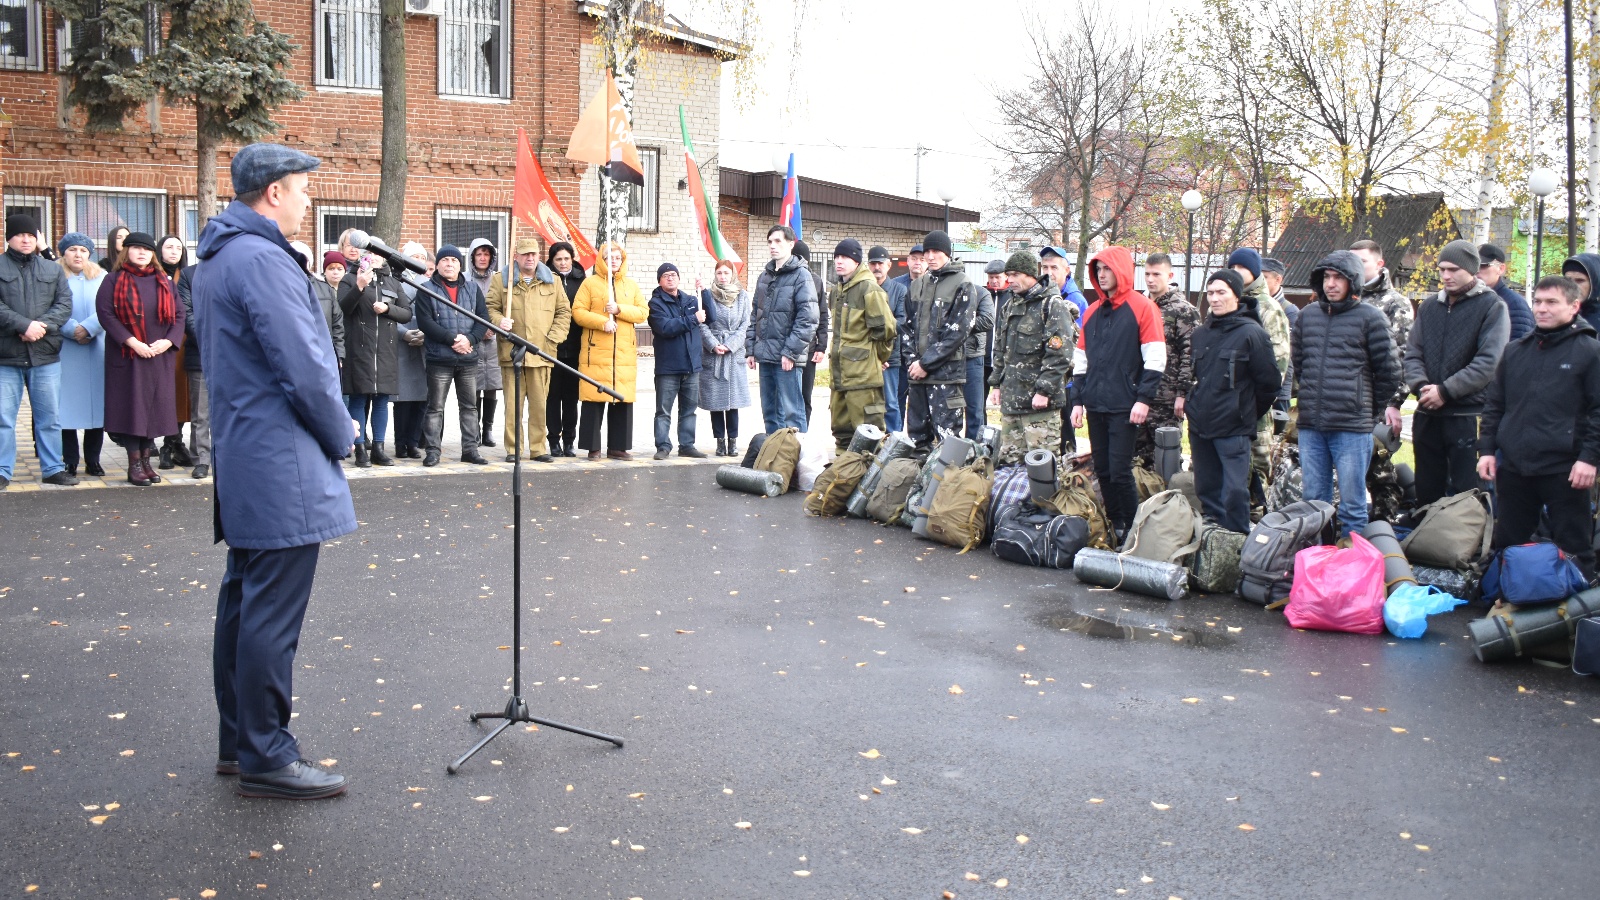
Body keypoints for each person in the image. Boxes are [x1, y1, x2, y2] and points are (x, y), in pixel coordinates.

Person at [192, 142, 354, 799]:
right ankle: (266, 754)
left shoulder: (221, 254)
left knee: (243, 605)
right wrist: (341, 433)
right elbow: (306, 365)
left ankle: (241, 741)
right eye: (302, 188)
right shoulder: (262, 259)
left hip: (248, 454)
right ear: (272, 194)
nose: (308, 199)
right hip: (280, 461)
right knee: (268, 616)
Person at [1478, 276, 1600, 579]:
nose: (1541, 309)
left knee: (1574, 547)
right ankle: (1507, 605)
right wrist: (1487, 450)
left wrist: (1589, 459)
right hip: (1515, 465)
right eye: (1537, 301)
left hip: (1566, 468)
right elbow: (1495, 405)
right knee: (1508, 542)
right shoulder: (1516, 351)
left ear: (1574, 306)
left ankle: (1574, 617)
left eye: (1551, 302)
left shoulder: (1590, 352)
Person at [1292, 250, 1403, 538]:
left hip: (1352, 428)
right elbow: (1300, 365)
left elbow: (1390, 372)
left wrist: (1367, 410)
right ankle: (1317, 562)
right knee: (1313, 504)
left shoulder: (1371, 318)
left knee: (1353, 505)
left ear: (1352, 281)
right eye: (1326, 277)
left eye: (1338, 277)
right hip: (1312, 427)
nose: (1331, 284)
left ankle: (1351, 570)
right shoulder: (1307, 316)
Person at [1394, 241, 1508, 506]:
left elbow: (1489, 362)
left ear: (1471, 269)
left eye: (1453, 269)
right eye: (1442, 269)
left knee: (1468, 496)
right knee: (1427, 492)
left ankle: (1471, 547)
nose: (1446, 276)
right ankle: (1424, 544)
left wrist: (1445, 391)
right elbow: (1413, 353)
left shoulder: (1492, 306)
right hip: (1428, 415)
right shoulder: (1430, 306)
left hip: (1467, 416)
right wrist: (1422, 386)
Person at [1069, 245, 1164, 537]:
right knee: (1105, 471)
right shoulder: (1093, 311)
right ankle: (1115, 527)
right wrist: (1077, 402)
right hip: (1096, 404)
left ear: (1121, 270)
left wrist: (1143, 399)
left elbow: (1156, 357)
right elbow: (1081, 360)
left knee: (1121, 471)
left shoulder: (1142, 307)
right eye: (1098, 269)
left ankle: (1133, 530)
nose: (1101, 274)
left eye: (1107, 268)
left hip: (1126, 404)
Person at [1186, 271, 1282, 534]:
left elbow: (1270, 384)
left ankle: (1238, 545)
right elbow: (1196, 378)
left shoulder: (1252, 334)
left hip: (1234, 428)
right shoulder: (1200, 334)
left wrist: (1245, 411)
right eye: (1211, 293)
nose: (1214, 299)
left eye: (1221, 293)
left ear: (1237, 295)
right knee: (1206, 489)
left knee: (1235, 493)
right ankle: (1213, 547)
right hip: (1200, 426)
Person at [95, 231, 184, 487]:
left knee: (155, 409)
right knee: (131, 409)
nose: (142, 253)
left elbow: (179, 315)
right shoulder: (113, 280)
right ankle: (134, 464)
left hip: (159, 355)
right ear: (126, 252)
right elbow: (106, 315)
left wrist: (168, 342)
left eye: (147, 250)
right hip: (128, 356)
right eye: (136, 249)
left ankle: (147, 462)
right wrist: (133, 342)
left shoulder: (164, 282)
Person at [0, 213, 76, 489]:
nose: (26, 239)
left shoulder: (52, 269)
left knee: (49, 417)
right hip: (6, 355)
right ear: (9, 237)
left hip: (45, 355)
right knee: (3, 419)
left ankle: (53, 468)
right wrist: (23, 325)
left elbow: (64, 304)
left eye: (31, 235)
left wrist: (40, 327)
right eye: (20, 234)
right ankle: (2, 470)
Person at [487, 236, 570, 462]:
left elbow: (564, 312)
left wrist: (553, 339)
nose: (530, 258)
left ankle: (538, 449)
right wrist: (498, 322)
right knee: (513, 406)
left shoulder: (552, 281)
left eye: (533, 254)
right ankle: (514, 450)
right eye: (525, 254)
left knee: (539, 405)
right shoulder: (501, 280)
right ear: (516, 257)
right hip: (511, 353)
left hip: (541, 353)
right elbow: (490, 308)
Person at [988, 250, 1072, 465]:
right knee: (1010, 466)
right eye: (1009, 274)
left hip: (1039, 408)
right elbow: (1000, 348)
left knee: (1044, 468)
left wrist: (1044, 390)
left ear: (1030, 275)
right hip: (1012, 404)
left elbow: (1059, 354)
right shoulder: (1010, 305)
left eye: (1015, 274)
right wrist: (996, 384)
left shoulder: (1051, 305)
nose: (1010, 280)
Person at [903, 230, 978, 451]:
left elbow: (958, 331)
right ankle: (919, 482)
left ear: (947, 253)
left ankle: (947, 485)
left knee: (948, 444)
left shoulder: (962, 284)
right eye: (927, 251)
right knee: (917, 440)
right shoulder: (917, 285)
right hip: (917, 377)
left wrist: (926, 363)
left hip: (946, 376)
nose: (931, 256)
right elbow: (906, 328)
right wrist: (913, 363)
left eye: (936, 251)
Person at [571, 242, 646, 459]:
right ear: (601, 260)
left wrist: (619, 309)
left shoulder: (630, 286)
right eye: (608, 257)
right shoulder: (590, 284)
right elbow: (578, 312)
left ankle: (618, 446)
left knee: (621, 398)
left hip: (623, 352)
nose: (613, 261)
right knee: (594, 397)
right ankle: (592, 446)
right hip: (596, 351)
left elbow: (643, 312)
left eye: (617, 258)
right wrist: (602, 321)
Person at [339, 246, 411, 468]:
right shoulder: (349, 279)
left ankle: (379, 449)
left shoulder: (393, 283)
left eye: (380, 255)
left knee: (381, 400)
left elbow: (406, 313)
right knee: (359, 398)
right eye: (372, 254)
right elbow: (342, 308)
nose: (376, 258)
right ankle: (360, 448)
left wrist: (388, 309)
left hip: (386, 351)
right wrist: (360, 286)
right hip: (360, 350)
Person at [415, 245, 487, 466]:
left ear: (460, 264)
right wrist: (453, 340)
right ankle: (433, 451)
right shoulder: (426, 289)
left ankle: (470, 450)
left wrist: (470, 339)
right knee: (435, 407)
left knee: (469, 407)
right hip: (440, 358)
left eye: (454, 260)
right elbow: (425, 322)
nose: (449, 264)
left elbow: (482, 319)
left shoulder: (473, 289)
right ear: (437, 265)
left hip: (468, 359)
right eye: (444, 260)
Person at [824, 239, 896, 449]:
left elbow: (886, 331)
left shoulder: (869, 289)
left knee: (870, 437)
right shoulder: (837, 291)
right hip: (840, 378)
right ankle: (845, 476)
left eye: (845, 257)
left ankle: (871, 480)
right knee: (842, 435)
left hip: (863, 379)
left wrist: (876, 359)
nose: (839, 261)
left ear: (856, 261)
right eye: (837, 257)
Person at [746, 225, 818, 433]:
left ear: (790, 244)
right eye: (770, 241)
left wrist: (790, 352)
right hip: (765, 357)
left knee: (793, 413)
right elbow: (755, 315)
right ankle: (774, 458)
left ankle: (799, 460)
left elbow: (809, 318)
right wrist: (751, 349)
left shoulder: (801, 276)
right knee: (770, 413)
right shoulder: (765, 276)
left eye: (778, 241)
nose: (773, 246)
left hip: (787, 359)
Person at [1134, 252, 1198, 467]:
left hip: (1167, 399)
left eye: (1156, 274)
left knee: (1166, 457)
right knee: (1139, 458)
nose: (1151, 279)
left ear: (1170, 275)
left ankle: (1168, 500)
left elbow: (1190, 354)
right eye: (1147, 274)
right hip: (1141, 394)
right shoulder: (1139, 306)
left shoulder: (1183, 311)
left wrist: (1182, 393)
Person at [55, 232, 108, 478]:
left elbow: (109, 307)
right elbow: (49, 307)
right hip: (65, 350)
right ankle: (70, 460)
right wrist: (72, 329)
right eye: (73, 250)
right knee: (66, 408)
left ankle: (94, 460)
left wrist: (88, 328)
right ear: (63, 253)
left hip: (96, 347)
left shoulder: (102, 277)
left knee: (96, 408)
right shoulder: (54, 277)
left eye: (83, 250)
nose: (78, 255)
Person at [697, 260, 751, 456]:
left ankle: (733, 441)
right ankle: (720, 442)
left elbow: (745, 325)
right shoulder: (707, 295)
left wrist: (730, 345)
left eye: (726, 273)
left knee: (733, 402)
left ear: (732, 274)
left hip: (733, 354)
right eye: (719, 273)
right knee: (716, 402)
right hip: (714, 354)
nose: (723, 277)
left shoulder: (742, 296)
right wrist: (713, 344)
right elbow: (702, 324)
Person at [1039, 246, 1088, 454]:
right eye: (1044, 267)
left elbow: (1078, 345)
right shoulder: (1041, 295)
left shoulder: (1075, 300)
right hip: (1044, 377)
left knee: (1064, 438)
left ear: (1066, 270)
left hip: (1065, 382)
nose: (1049, 272)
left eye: (1054, 267)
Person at [155, 234, 196, 471]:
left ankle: (174, 443)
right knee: (161, 393)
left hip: (181, 342)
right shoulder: (154, 275)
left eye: (178, 248)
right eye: (169, 246)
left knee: (180, 395)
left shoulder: (187, 276)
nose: (174, 251)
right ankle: (159, 443)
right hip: (157, 341)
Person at [175, 242, 214, 480]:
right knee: (201, 411)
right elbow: (186, 312)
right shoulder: (189, 275)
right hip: (200, 352)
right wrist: (210, 340)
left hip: (233, 355)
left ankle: (227, 457)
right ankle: (201, 458)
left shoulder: (232, 271)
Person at [545, 242, 586, 456]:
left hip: (576, 347)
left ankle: (570, 440)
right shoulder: (544, 279)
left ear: (572, 259)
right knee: (552, 396)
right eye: (558, 259)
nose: (562, 263)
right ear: (552, 261)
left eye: (566, 259)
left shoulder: (582, 281)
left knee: (571, 397)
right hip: (551, 347)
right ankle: (553, 440)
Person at [392, 242, 433, 459]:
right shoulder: (396, 279)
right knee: (403, 399)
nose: (418, 260)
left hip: (424, 345)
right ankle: (400, 443)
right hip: (402, 344)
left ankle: (413, 442)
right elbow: (389, 311)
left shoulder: (429, 283)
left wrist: (426, 334)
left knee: (422, 398)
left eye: (421, 256)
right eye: (413, 256)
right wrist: (404, 333)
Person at [1350, 239, 1415, 366]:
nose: (1354, 267)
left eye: (1362, 262)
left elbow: (1403, 353)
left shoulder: (1396, 303)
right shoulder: (1341, 297)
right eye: (1351, 262)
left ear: (1379, 264)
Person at [790, 240, 830, 430]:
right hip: (786, 349)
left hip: (809, 349)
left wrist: (821, 346)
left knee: (805, 395)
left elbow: (823, 315)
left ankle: (803, 435)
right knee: (788, 397)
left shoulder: (816, 281)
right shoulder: (782, 278)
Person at [467, 238, 502, 448]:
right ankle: (475, 429)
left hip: (494, 340)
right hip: (473, 338)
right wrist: (479, 330)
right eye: (478, 254)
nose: (482, 258)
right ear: (472, 256)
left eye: (486, 254)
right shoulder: (465, 279)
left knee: (491, 385)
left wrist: (493, 328)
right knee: (473, 385)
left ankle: (488, 428)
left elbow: (501, 306)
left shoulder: (498, 280)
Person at [868, 246, 908, 433]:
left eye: (880, 263)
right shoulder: (863, 289)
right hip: (866, 356)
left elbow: (901, 322)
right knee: (870, 403)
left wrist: (882, 352)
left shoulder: (899, 290)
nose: (877, 267)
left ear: (889, 265)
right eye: (873, 263)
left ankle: (894, 444)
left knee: (891, 403)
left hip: (890, 356)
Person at [961, 260, 997, 439]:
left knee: (975, 409)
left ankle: (974, 450)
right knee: (949, 409)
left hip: (973, 357)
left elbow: (988, 321)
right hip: (946, 356)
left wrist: (964, 320)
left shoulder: (980, 292)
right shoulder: (941, 293)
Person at [888, 243, 924, 422]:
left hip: (924, 352)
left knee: (921, 402)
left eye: (922, 259)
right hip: (900, 351)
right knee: (897, 398)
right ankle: (898, 441)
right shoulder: (896, 285)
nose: (918, 262)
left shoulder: (934, 285)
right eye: (914, 258)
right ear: (908, 261)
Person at [1477, 242, 1535, 340]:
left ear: (1501, 268)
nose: (1476, 270)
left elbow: (1519, 347)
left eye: (1483, 265)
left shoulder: (1514, 304)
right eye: (1473, 265)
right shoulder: (1467, 299)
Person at [307, 250, 348, 366]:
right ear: (324, 271)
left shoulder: (350, 289)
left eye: (339, 269)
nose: (335, 272)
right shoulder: (318, 289)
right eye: (331, 268)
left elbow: (337, 325)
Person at [1560, 253, 1600, 332]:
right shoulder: (1558, 315)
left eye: (1580, 280)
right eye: (1568, 280)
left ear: (1595, 283)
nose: (1572, 286)